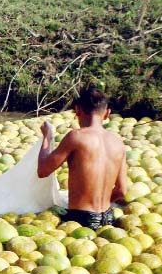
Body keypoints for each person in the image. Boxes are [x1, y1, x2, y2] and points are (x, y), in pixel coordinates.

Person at [37, 86, 128, 229]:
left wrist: (46, 138)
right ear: (107, 114)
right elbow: (122, 190)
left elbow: (43, 170)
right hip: (108, 217)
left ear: (77, 110)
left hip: (80, 219)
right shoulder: (118, 143)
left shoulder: (76, 137)